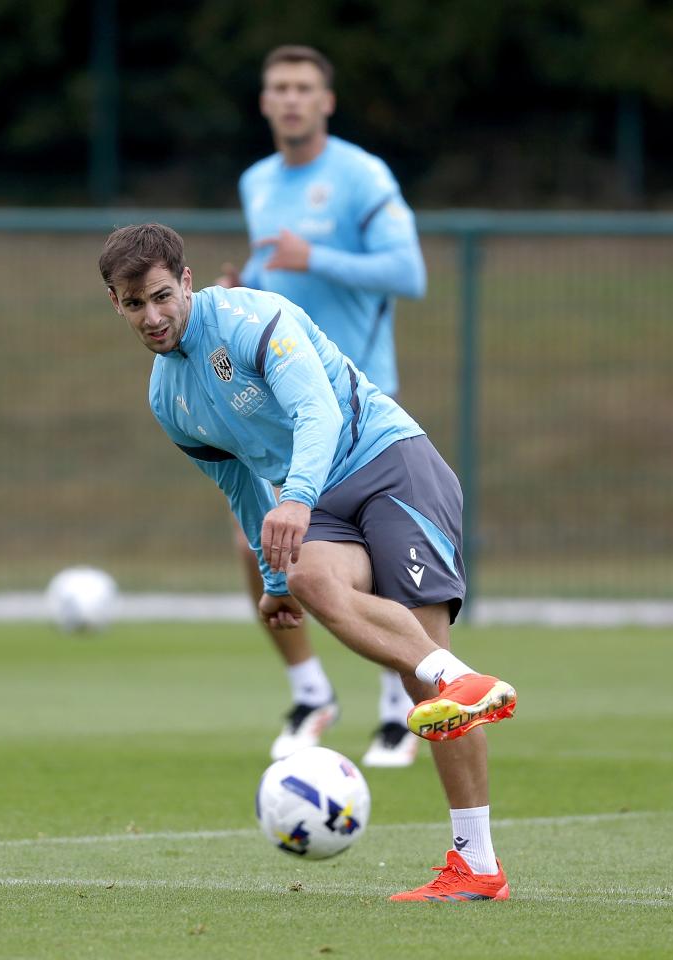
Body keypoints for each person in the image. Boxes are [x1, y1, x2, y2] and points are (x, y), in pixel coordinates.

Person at [99, 223, 518, 902]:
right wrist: (272, 581)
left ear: (186, 279)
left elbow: (317, 412)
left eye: (159, 296)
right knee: (308, 579)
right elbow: (236, 482)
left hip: (390, 467)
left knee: (426, 686)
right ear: (114, 304)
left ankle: (474, 854)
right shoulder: (164, 397)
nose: (152, 316)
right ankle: (459, 689)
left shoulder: (255, 318)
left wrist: (294, 498)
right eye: (132, 303)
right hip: (317, 499)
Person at [216, 45, 429, 768]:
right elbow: (281, 285)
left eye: (305, 87)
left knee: (373, 563)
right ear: (265, 101)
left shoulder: (362, 175)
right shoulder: (257, 181)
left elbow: (409, 272)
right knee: (258, 544)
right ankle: (311, 693)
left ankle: (400, 708)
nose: (292, 99)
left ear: (327, 101)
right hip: (279, 407)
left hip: (359, 404)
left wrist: (319, 258)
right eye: (279, 87)